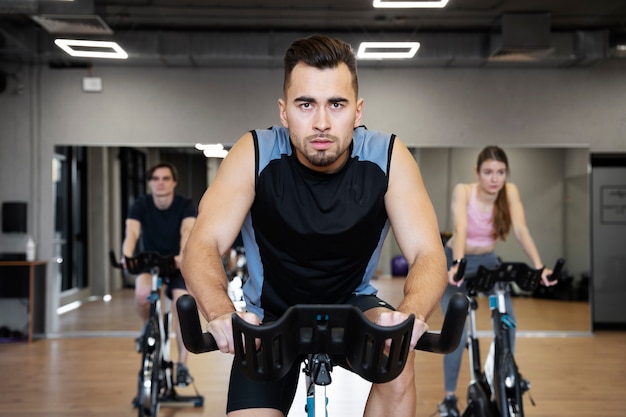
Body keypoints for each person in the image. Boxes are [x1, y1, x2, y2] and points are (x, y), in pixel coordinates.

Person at [181, 34, 447, 417]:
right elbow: (203, 243)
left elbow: (427, 252)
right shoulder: (254, 153)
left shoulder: (387, 156)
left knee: (397, 356)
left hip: (353, 306)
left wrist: (413, 312)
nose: (321, 122)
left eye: (336, 105)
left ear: (357, 111)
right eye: (306, 105)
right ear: (284, 111)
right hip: (270, 318)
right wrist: (221, 312)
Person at [437, 146, 555, 417]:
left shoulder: (509, 192)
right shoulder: (464, 191)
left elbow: (522, 229)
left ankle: (502, 374)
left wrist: (539, 267)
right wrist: (457, 265)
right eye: (488, 172)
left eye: (500, 172)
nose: (495, 178)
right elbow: (460, 229)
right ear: (477, 173)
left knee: (507, 320)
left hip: (488, 262)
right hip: (457, 260)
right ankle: (450, 399)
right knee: (456, 332)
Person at [121, 162, 197, 386]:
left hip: (177, 262)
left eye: (165, 178)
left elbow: (187, 231)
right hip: (151, 261)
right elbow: (132, 232)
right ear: (150, 183)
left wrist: (182, 256)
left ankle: (183, 364)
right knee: (142, 294)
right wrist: (127, 256)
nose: (160, 183)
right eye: (155, 179)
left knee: (182, 309)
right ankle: (147, 325)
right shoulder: (141, 204)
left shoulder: (185, 205)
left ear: (173, 182)